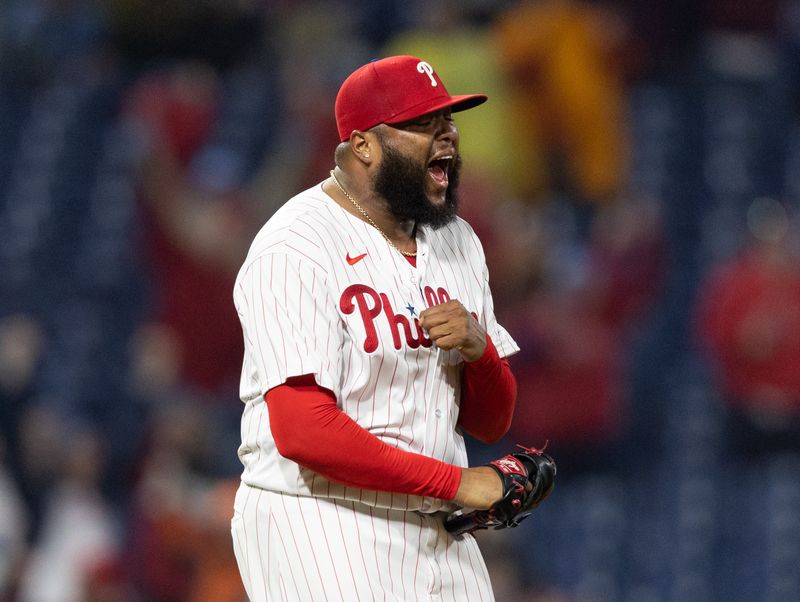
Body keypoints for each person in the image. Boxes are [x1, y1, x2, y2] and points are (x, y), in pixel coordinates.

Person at [230, 55, 521, 601]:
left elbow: (490, 421)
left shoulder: (457, 241)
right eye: (423, 125)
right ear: (363, 145)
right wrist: (459, 483)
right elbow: (304, 431)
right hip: (318, 517)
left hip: (434, 522)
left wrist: (480, 351)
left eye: (449, 122)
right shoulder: (296, 245)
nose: (447, 139)